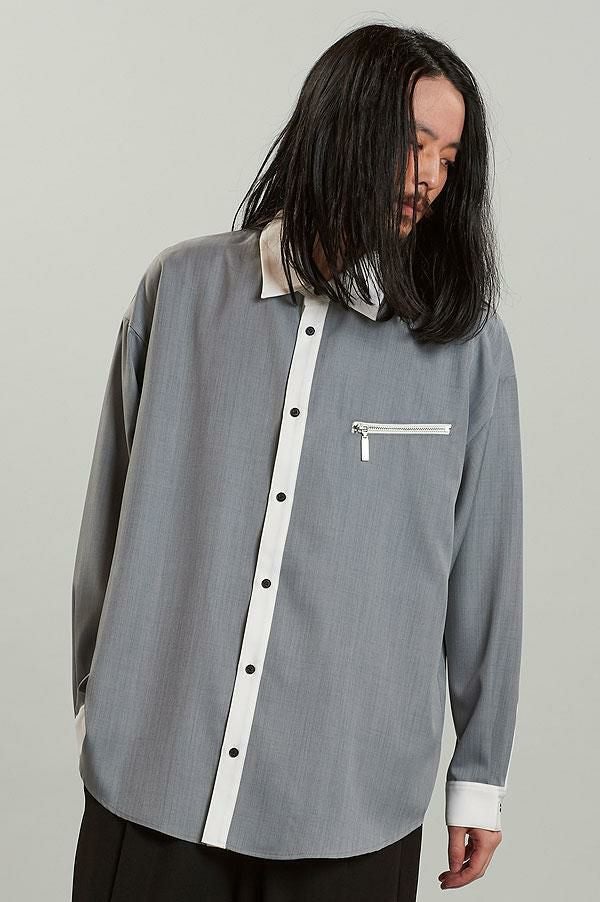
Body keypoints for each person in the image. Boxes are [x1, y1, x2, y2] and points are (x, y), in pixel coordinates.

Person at [70, 22, 523, 902]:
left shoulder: (467, 351)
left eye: (449, 157)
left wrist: (479, 774)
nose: (430, 177)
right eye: (414, 144)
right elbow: (109, 514)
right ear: (343, 126)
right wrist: (101, 698)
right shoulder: (182, 291)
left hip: (350, 807)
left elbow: (486, 572)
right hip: (154, 781)